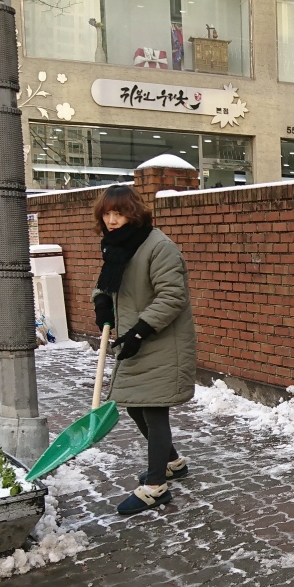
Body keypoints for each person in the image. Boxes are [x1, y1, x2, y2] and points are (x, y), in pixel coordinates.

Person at [90, 185, 197, 515]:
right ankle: (173, 463)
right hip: (136, 339)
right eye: (107, 214)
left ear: (133, 213)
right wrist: (102, 303)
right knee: (135, 406)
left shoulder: (159, 247)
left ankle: (155, 487)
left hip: (162, 340)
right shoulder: (118, 245)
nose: (112, 220)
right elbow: (109, 283)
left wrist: (139, 331)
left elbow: (172, 296)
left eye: (118, 214)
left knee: (153, 409)